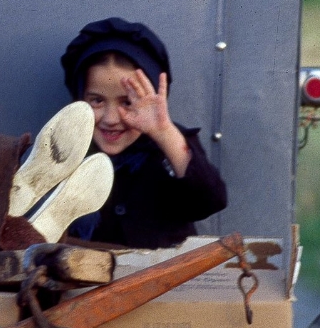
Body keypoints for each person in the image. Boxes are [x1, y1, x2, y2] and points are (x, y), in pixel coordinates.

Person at [60, 17, 228, 248]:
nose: (111, 119)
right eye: (97, 100)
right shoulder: (65, 154)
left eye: (127, 102)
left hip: (163, 281)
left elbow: (210, 200)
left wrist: (163, 132)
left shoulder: (168, 145)